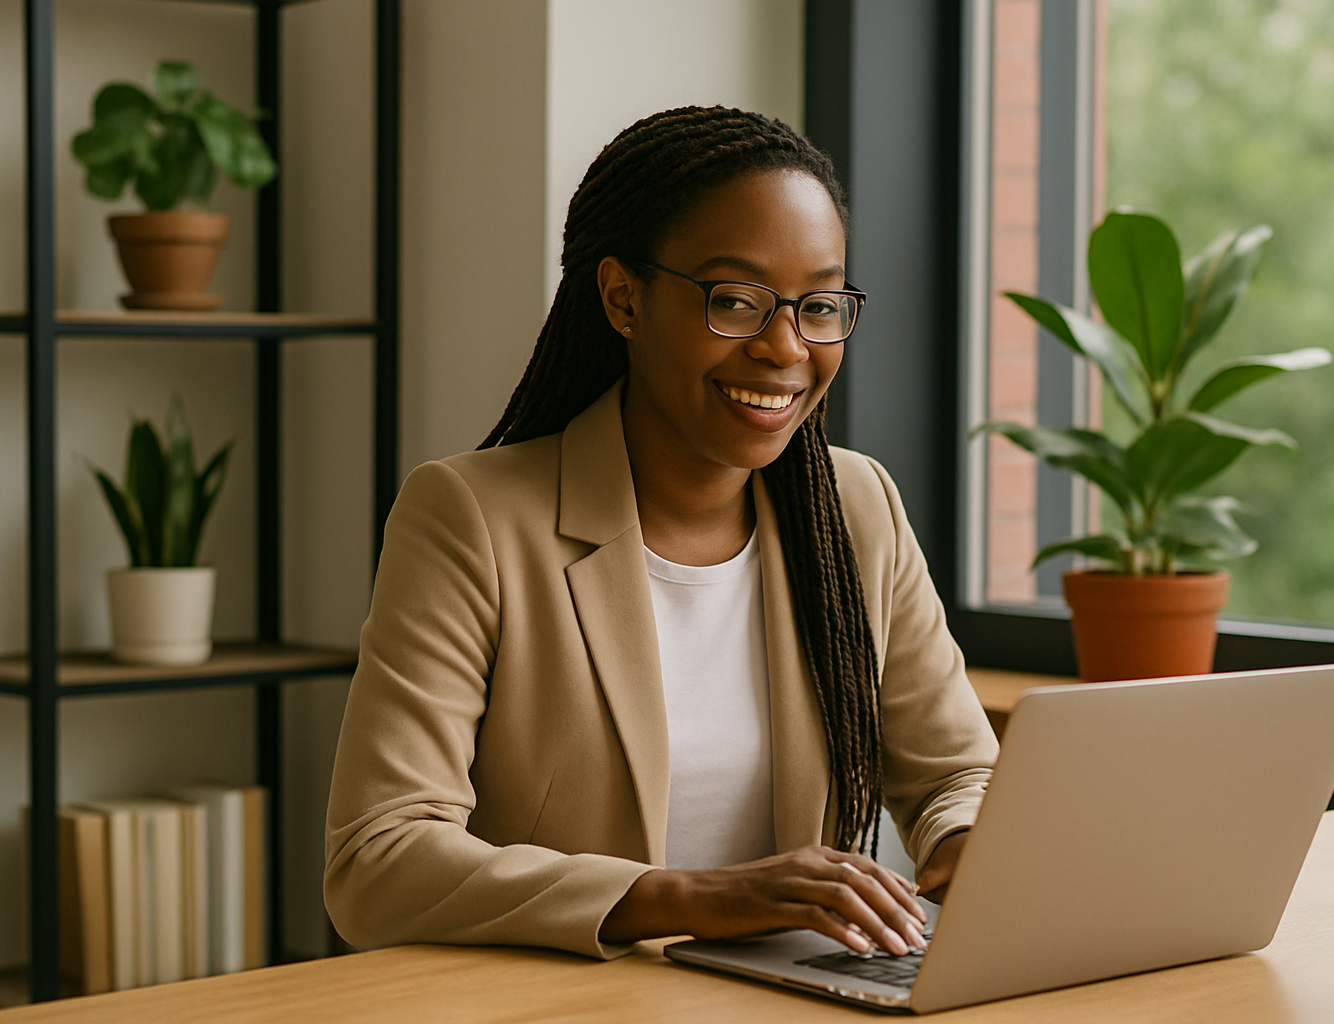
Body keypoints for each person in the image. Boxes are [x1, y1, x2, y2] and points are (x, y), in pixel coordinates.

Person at [324, 106, 997, 961]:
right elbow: (377, 859)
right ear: (623, 298)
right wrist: (688, 897)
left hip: (791, 999)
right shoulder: (471, 518)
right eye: (735, 301)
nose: (785, 347)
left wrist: (966, 842)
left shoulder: (856, 508)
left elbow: (956, 774)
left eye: (819, 305)